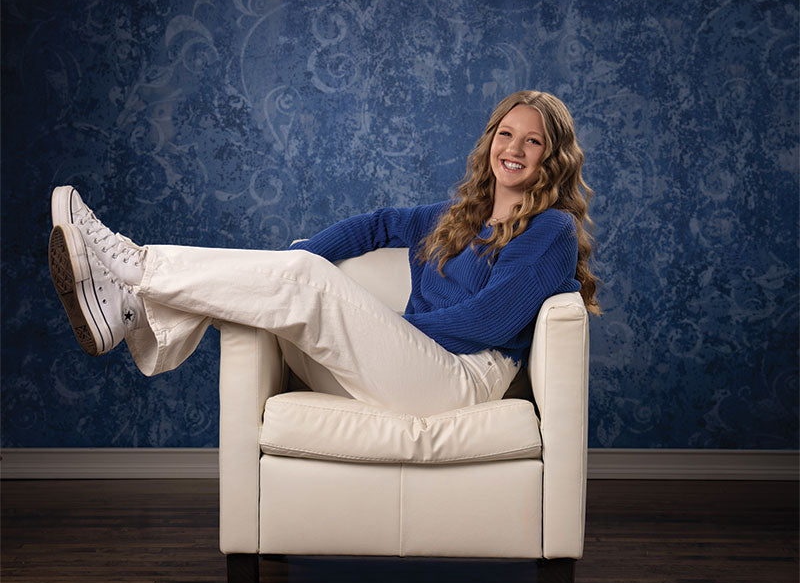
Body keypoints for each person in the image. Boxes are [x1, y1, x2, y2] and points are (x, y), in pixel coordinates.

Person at [48, 90, 599, 416]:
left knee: (306, 285)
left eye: (533, 141)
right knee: (285, 290)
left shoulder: (550, 228)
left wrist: (384, 328)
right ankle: (132, 311)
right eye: (507, 134)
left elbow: (488, 320)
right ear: (490, 142)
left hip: (459, 380)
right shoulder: (458, 216)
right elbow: (378, 225)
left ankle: (134, 267)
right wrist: (305, 255)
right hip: (404, 369)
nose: (515, 149)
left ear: (552, 158)